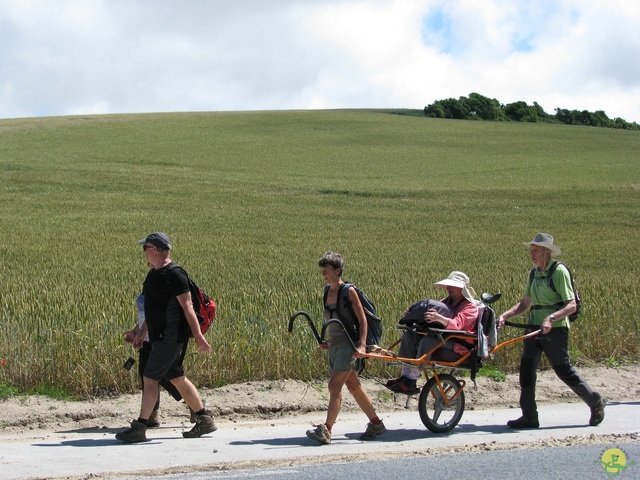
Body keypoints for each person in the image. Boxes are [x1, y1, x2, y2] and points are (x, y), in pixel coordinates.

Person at [116, 232, 216, 443]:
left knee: (150, 378)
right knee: (176, 378)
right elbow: (152, 310)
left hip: (170, 337)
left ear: (154, 250)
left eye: (145, 249)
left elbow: (188, 308)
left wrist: (198, 336)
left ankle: (140, 427)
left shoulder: (175, 275)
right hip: (159, 336)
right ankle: (204, 419)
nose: (143, 253)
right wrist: (141, 332)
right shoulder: (153, 275)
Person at [497, 233, 606, 428]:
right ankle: (529, 416)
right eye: (531, 250)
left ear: (547, 252)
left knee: (563, 370)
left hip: (554, 330)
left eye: (536, 250)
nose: (532, 254)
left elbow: (571, 305)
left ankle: (595, 402)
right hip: (534, 328)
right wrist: (505, 315)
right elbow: (525, 303)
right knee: (526, 371)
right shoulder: (534, 273)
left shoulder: (559, 271)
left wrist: (551, 318)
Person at [306, 252, 386, 445]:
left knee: (334, 386)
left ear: (338, 270)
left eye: (327, 270)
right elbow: (334, 320)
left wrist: (361, 344)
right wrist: (328, 341)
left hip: (348, 346)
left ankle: (326, 430)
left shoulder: (348, 291)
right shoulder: (327, 291)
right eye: (322, 271)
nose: (323, 274)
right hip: (334, 345)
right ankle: (377, 424)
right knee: (353, 386)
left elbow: (362, 319)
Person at [386, 271, 479, 394]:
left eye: (453, 285)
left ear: (462, 288)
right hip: (443, 339)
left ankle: (412, 380)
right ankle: (404, 376)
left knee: (429, 340)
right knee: (409, 335)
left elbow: (457, 325)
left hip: (459, 346)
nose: (449, 288)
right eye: (448, 285)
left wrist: (439, 318)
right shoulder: (445, 302)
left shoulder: (470, 308)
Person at [122, 293, 186, 428]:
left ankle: (194, 404)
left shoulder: (166, 280)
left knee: (168, 376)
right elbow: (145, 317)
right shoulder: (152, 281)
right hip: (145, 341)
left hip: (162, 340)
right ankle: (150, 415)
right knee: (146, 376)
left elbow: (161, 314)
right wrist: (135, 333)